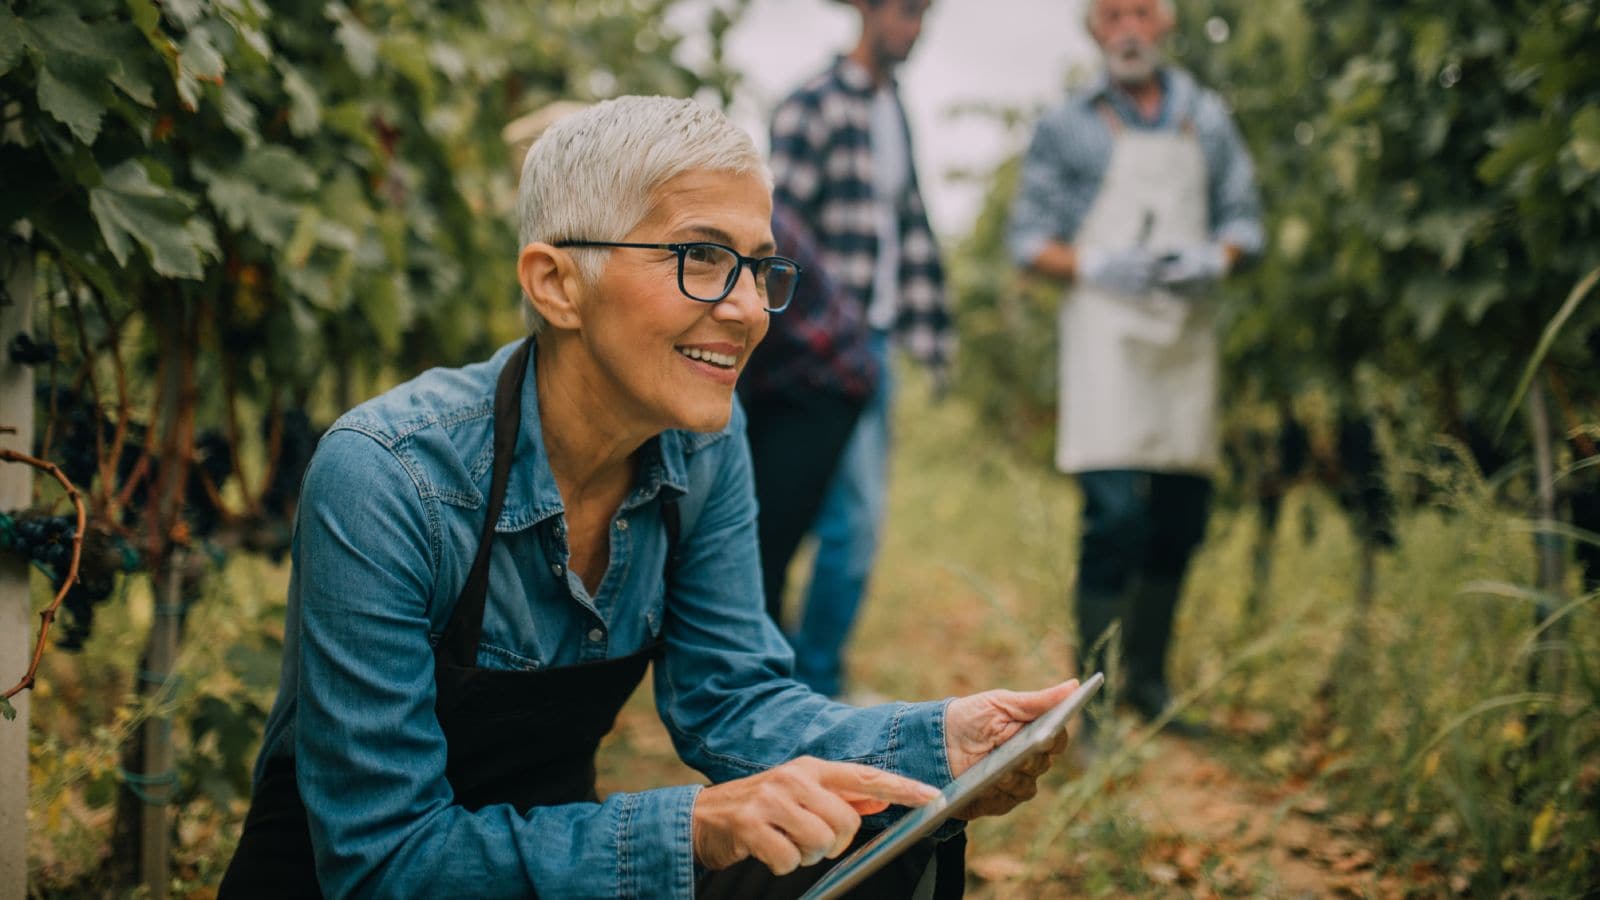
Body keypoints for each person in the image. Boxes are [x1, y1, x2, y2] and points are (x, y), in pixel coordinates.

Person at [219, 95, 1077, 899]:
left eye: (759, 267)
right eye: (702, 258)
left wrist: (942, 743)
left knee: (877, 829)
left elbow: (730, 698)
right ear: (557, 283)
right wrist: (694, 828)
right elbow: (384, 862)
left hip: (545, 867)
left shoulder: (706, 444)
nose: (748, 309)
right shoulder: (387, 476)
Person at [1007, 0, 1263, 728]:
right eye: (1111, 14)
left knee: (1180, 514)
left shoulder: (1206, 118)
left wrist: (1217, 256)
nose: (1128, 27)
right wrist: (1096, 264)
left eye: (1141, 12)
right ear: (1093, 29)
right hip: (1107, 337)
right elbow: (1029, 239)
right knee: (1113, 514)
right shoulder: (1067, 126)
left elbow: (1246, 220)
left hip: (1184, 338)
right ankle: (1088, 703)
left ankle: (1148, 685)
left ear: (1166, 22)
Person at [768, 0, 953, 699]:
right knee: (839, 520)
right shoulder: (808, 106)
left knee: (847, 522)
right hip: (817, 355)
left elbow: (908, 229)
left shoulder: (895, 112)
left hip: (875, 345)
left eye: (925, 16)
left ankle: (802, 676)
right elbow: (778, 233)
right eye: (907, 12)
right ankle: (808, 683)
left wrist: (931, 334)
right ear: (869, 10)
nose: (916, 28)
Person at [739, 203, 878, 627]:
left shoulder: (748, 217)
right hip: (774, 378)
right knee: (752, 546)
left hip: (823, 381)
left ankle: (764, 680)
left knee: (762, 551)